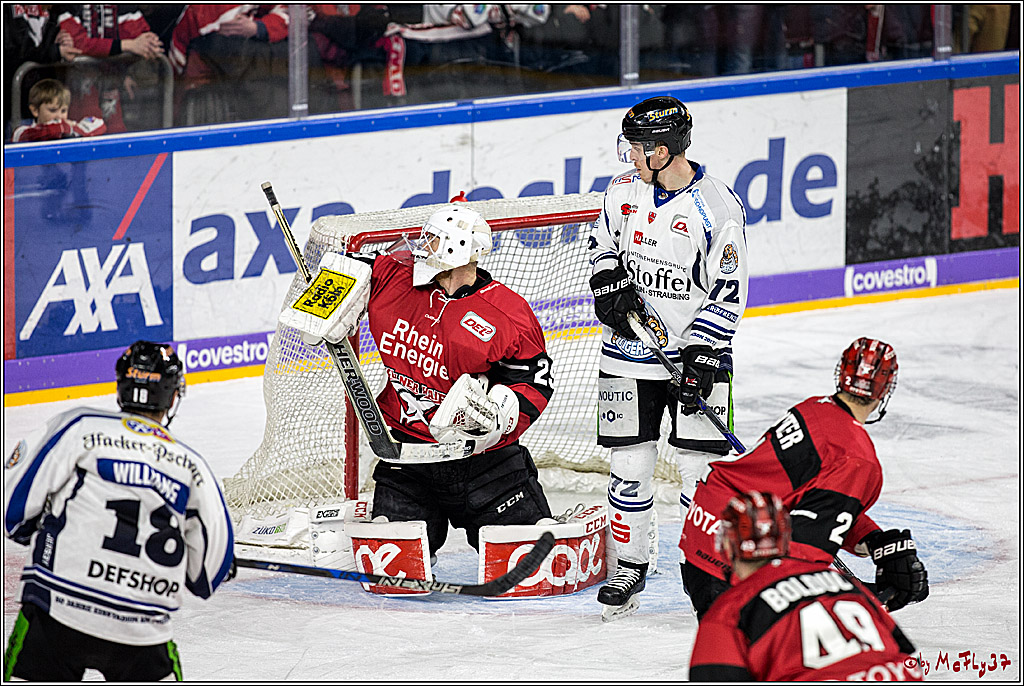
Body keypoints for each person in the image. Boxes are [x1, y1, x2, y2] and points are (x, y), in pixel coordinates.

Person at [587, 94, 748, 619]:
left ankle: (704, 568)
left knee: (700, 474)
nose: (629, 156)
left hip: (698, 358)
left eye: (637, 147)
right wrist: (608, 281)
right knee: (629, 466)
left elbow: (729, 288)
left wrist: (702, 352)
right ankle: (629, 565)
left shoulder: (718, 207)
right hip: (626, 355)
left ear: (663, 150)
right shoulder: (621, 190)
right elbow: (601, 243)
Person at [3, 341, 235, 681]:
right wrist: (222, 565)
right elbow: (207, 575)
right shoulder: (192, 466)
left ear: (120, 386)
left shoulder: (79, 426)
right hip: (141, 632)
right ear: (173, 397)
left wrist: (41, 528)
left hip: (58, 613)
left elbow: (14, 511)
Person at [345, 203, 556, 560]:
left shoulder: (506, 313)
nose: (422, 247)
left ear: (459, 250)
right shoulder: (393, 279)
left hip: (487, 465)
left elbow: (535, 381)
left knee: (530, 564)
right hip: (406, 460)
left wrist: (502, 420)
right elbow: (349, 265)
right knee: (391, 570)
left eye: (433, 240)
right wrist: (331, 293)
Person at [680, 337, 930, 619]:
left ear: (842, 374)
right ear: (885, 389)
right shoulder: (859, 460)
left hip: (704, 528)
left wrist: (875, 541)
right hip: (739, 552)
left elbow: (814, 499)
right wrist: (874, 597)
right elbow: (805, 559)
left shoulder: (813, 408)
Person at [687, 492, 923, 681]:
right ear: (786, 538)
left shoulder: (729, 611)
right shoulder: (844, 582)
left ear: (726, 545)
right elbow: (906, 656)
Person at [11, 78, 106, 142]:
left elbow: (99, 124)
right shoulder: (22, 132)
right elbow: (52, 131)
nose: (59, 116)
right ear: (35, 110)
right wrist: (68, 129)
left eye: (63, 111)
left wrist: (72, 129)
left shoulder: (70, 128)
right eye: (53, 110)